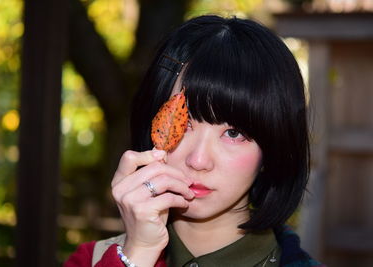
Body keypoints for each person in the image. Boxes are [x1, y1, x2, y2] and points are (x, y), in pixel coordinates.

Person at [64, 15, 325, 267]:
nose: (198, 160)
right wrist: (139, 254)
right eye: (183, 124)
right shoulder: (92, 261)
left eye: (234, 133)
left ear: (272, 147)